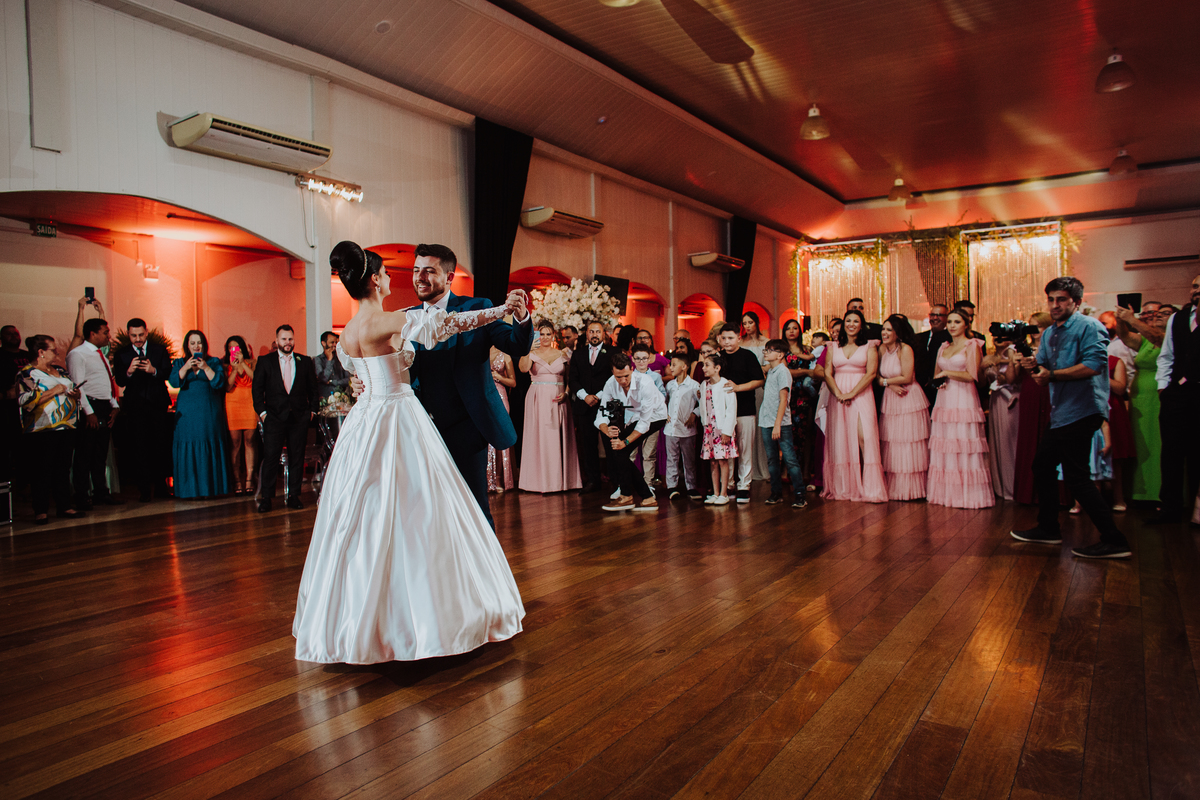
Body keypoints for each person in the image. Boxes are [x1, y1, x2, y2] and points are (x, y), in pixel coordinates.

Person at [293, 240, 525, 664]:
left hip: (364, 424)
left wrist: (362, 383)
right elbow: (448, 326)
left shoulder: (346, 333)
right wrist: (500, 310)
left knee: (367, 517)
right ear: (375, 280)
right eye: (386, 273)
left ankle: (364, 617)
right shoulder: (388, 319)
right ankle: (433, 614)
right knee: (425, 513)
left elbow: (357, 373)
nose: (394, 278)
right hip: (399, 417)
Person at [405, 243, 534, 528]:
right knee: (430, 510)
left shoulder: (477, 308)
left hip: (468, 426)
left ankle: (485, 558)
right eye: (416, 270)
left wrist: (521, 316)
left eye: (429, 271)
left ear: (450, 277)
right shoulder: (408, 317)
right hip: (422, 428)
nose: (420, 278)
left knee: (475, 508)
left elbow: (515, 344)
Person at [1011, 277, 1130, 558]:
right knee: (1043, 465)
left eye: (1061, 299)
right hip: (1062, 412)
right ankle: (1048, 528)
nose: (1055, 305)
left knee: (1076, 476)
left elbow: (1093, 366)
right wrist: (1032, 364)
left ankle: (1114, 540)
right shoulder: (1051, 334)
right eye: (1051, 299)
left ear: (1076, 301)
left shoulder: (1090, 327)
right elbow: (1042, 371)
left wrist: (1051, 375)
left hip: (1084, 409)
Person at [926, 310, 993, 509]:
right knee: (946, 441)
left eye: (957, 322)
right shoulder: (943, 346)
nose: (953, 325)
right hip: (945, 397)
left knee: (963, 441)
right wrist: (939, 381)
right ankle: (946, 493)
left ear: (966, 324)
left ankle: (968, 495)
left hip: (963, 397)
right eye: (950, 322)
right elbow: (937, 374)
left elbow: (972, 376)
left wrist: (947, 372)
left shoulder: (972, 345)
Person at [17, 335, 84, 524]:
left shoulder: (60, 371)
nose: (57, 353)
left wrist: (75, 393)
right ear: (41, 352)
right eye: (53, 350)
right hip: (42, 428)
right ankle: (41, 510)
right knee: (42, 469)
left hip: (67, 425)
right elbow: (25, 401)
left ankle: (64, 506)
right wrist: (54, 391)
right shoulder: (27, 373)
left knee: (63, 468)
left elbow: (72, 388)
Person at [822, 310, 887, 503]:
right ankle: (844, 487)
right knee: (841, 439)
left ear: (861, 325)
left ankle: (871, 488)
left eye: (855, 321)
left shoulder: (870, 346)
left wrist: (851, 393)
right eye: (848, 321)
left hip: (861, 394)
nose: (851, 324)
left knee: (864, 437)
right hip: (837, 395)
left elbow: (871, 373)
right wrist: (838, 393)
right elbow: (827, 373)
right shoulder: (833, 346)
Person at [252, 324, 318, 511]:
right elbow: (257, 390)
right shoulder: (265, 361)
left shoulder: (305, 361)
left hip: (299, 418)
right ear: (277, 341)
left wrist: (312, 412)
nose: (288, 342)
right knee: (271, 458)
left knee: (297, 457)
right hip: (273, 418)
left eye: (290, 339)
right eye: (284, 339)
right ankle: (266, 498)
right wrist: (263, 414)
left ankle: (294, 496)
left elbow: (313, 389)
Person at [595, 351, 668, 512]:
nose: (623, 381)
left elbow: (645, 423)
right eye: (618, 377)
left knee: (621, 450)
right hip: (636, 417)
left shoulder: (646, 382)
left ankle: (628, 496)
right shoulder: (610, 383)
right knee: (618, 451)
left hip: (656, 416)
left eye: (626, 376)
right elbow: (601, 414)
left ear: (632, 369)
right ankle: (646, 498)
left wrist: (625, 441)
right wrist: (607, 430)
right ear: (612, 373)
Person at [1154, 274, 1200, 525]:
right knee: (1171, 453)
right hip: (1176, 395)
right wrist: (1163, 388)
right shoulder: (1178, 318)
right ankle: (1169, 508)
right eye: (1194, 286)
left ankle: (1196, 508)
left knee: (1196, 454)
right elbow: (1166, 356)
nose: (1197, 290)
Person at [1114, 301, 1168, 508]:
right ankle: (1139, 493)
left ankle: (1162, 493)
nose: (1157, 316)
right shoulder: (1145, 340)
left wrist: (1132, 319)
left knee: (1160, 444)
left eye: (1164, 313)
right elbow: (1125, 337)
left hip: (1160, 396)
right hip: (1140, 398)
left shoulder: (1171, 338)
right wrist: (1121, 319)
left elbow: (1157, 337)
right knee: (1141, 444)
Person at [65, 317, 123, 509]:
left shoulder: (100, 354)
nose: (109, 336)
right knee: (85, 454)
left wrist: (114, 406)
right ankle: (81, 495)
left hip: (104, 405)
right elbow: (78, 385)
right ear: (93, 333)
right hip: (89, 406)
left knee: (100, 454)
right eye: (105, 332)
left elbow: (104, 383)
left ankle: (101, 492)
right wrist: (89, 412)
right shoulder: (78, 354)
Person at [113, 319, 173, 502]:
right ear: (128, 334)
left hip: (157, 405)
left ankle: (162, 488)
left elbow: (168, 372)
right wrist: (129, 372)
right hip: (135, 407)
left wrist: (154, 370)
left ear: (146, 332)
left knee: (160, 446)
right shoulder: (122, 353)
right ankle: (144, 490)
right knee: (139, 448)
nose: (138, 339)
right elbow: (120, 380)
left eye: (140, 335)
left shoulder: (159, 350)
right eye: (134, 336)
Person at [518, 320, 580, 493]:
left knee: (557, 437)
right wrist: (528, 350)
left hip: (558, 398)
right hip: (537, 397)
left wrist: (566, 393)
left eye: (548, 334)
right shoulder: (531, 353)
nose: (545, 337)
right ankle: (537, 482)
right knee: (539, 437)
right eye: (542, 334)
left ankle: (561, 481)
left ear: (553, 335)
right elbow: (523, 369)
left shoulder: (562, 354)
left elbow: (569, 378)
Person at [169, 330, 232, 499]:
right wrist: (186, 367)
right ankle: (189, 490)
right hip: (187, 413)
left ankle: (210, 489)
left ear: (204, 345)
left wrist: (205, 367)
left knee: (208, 442)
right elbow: (174, 382)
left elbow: (219, 382)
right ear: (187, 346)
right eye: (192, 343)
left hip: (208, 412)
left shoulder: (213, 361)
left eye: (199, 343)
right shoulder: (179, 362)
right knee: (188, 444)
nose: (196, 346)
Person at [877, 314, 929, 501]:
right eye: (883, 329)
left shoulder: (905, 349)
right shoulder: (881, 349)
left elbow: (907, 377)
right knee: (892, 442)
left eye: (889, 330)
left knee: (908, 442)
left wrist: (886, 382)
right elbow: (875, 375)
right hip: (891, 398)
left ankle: (913, 489)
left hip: (908, 398)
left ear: (898, 333)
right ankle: (895, 488)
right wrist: (888, 384)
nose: (884, 333)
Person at [717, 323, 765, 503]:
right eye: (724, 338)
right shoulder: (718, 357)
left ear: (738, 338)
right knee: (727, 448)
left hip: (745, 408)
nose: (727, 341)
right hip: (723, 411)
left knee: (745, 448)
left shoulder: (748, 356)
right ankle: (728, 484)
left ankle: (744, 485)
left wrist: (738, 388)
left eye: (731, 338)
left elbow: (759, 380)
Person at [568, 321, 614, 494]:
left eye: (598, 331)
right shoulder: (578, 354)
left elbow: (613, 378)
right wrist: (584, 396)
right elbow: (572, 379)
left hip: (606, 404)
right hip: (584, 405)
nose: (594, 334)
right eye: (591, 331)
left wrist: (599, 396)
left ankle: (616, 481)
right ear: (586, 334)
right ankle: (593, 480)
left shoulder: (612, 352)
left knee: (610, 444)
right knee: (588, 445)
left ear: (603, 334)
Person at [760, 339, 806, 508]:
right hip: (766, 420)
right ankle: (776, 492)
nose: (766, 353)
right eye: (765, 350)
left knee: (789, 458)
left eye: (769, 350)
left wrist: (777, 424)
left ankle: (800, 494)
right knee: (772, 459)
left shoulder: (783, 372)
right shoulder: (772, 371)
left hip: (780, 422)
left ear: (780, 355)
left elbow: (784, 399)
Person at [1013, 312, 1053, 505]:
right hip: (1029, 393)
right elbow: (1012, 378)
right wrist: (1014, 361)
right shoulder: (1023, 348)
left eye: (1039, 326)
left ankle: (1053, 494)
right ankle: (1027, 492)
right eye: (1031, 326)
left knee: (1048, 438)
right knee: (1029, 438)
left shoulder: (1053, 347)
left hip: (1048, 392)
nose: (1035, 330)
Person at [982, 328, 1023, 500]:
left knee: (1011, 440)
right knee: (997, 441)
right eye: (996, 337)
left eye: (1004, 337)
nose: (999, 340)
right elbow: (982, 381)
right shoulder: (989, 357)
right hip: (996, 400)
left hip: (1012, 399)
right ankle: (1000, 485)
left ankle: (1015, 485)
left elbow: (1015, 379)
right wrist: (984, 366)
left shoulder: (1014, 355)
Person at [699, 351, 738, 506]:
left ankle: (724, 493)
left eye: (707, 365)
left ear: (717, 368)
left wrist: (727, 431)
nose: (704, 368)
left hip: (721, 428)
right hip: (709, 428)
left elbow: (731, 410)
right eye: (703, 365)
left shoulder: (725, 384)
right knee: (713, 461)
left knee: (723, 461)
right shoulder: (704, 385)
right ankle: (715, 493)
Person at [222, 336, 259, 496]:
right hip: (233, 402)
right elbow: (227, 386)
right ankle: (237, 480)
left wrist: (243, 362)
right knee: (235, 443)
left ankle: (249, 478)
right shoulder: (225, 364)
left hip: (249, 401)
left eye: (236, 347)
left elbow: (256, 379)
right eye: (231, 348)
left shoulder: (253, 362)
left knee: (250, 441)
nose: (234, 351)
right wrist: (235, 367)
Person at [663, 350, 702, 501]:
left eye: (674, 365)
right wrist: (664, 413)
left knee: (689, 459)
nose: (671, 368)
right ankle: (672, 486)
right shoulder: (670, 385)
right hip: (670, 429)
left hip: (687, 430)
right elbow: (665, 401)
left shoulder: (694, 386)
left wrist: (694, 414)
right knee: (671, 458)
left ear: (684, 366)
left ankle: (691, 486)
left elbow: (702, 404)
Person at [740, 312, 771, 483]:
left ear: (757, 323)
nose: (747, 326)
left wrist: (758, 369)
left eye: (750, 322)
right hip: (744, 387)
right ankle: (747, 469)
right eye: (745, 323)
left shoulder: (766, 342)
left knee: (760, 425)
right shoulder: (741, 343)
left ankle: (762, 467)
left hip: (760, 386)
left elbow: (769, 365)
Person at [630, 343, 666, 488]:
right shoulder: (629, 376)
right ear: (633, 359)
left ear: (649, 359)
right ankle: (629, 484)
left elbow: (662, 395)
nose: (641, 362)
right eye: (638, 358)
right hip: (632, 419)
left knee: (649, 454)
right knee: (630, 453)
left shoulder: (655, 377)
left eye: (644, 358)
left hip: (652, 419)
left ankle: (648, 484)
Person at [1, 324, 32, 484]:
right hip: (6, 411)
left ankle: (24, 485)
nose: (14, 336)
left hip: (28, 410)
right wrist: (6, 394)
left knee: (25, 451)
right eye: (9, 334)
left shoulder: (28, 356)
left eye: (16, 333)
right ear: (1, 338)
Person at [488, 346, 516, 492]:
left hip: (500, 395)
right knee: (486, 437)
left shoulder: (505, 355)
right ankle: (487, 480)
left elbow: (513, 382)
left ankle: (500, 479)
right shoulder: (479, 351)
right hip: (484, 396)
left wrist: (498, 377)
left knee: (500, 434)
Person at [915, 304, 951, 406]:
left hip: (944, 388)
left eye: (939, 315)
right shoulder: (919, 338)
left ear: (946, 318)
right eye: (932, 315)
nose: (935, 318)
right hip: (921, 389)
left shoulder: (951, 338)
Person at [314, 330, 349, 401]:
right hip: (324, 400)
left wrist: (332, 382)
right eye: (332, 342)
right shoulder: (317, 360)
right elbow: (324, 378)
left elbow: (348, 380)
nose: (335, 345)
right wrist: (329, 360)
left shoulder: (340, 359)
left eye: (336, 342)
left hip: (341, 399)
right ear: (323, 343)